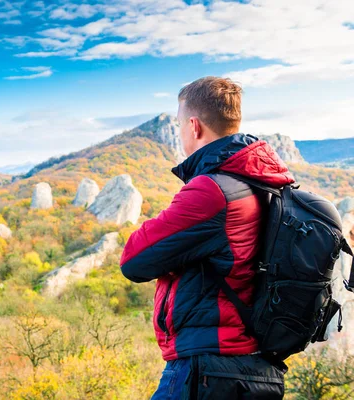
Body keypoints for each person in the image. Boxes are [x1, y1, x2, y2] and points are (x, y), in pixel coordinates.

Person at [120, 77, 290, 399]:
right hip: (256, 367)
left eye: (181, 124)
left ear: (194, 126)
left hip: (207, 369)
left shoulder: (212, 190)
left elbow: (134, 261)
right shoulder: (264, 183)